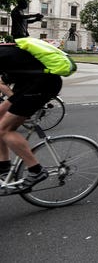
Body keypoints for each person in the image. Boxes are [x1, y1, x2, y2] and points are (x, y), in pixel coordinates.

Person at [0, 43, 62, 190]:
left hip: (42, 86)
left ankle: (36, 170)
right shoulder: (4, 51)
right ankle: (3, 167)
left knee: (4, 129)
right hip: (28, 85)